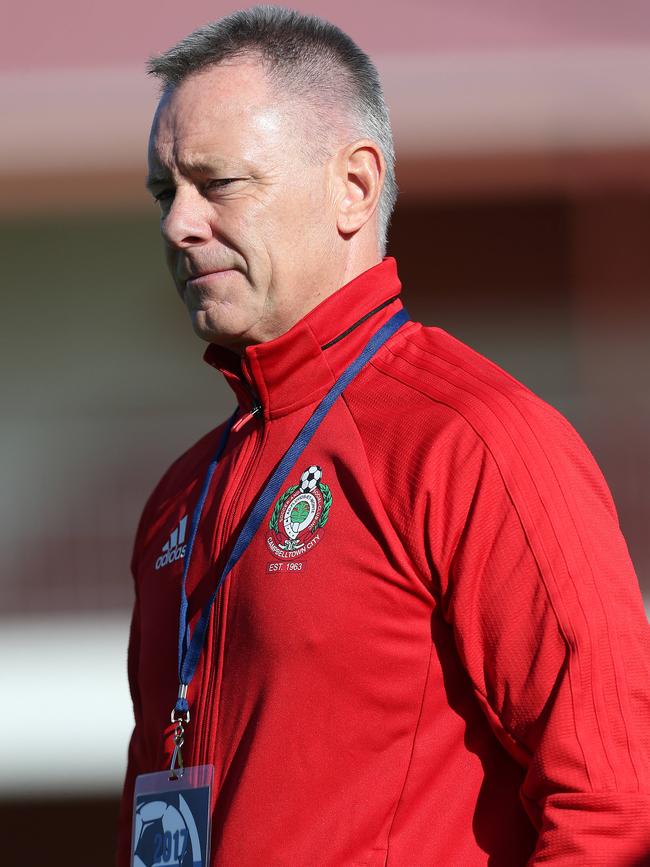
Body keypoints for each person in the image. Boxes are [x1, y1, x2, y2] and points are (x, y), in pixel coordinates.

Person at [117, 7, 650, 865]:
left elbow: (617, 800)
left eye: (217, 185)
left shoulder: (475, 440)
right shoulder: (180, 497)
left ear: (355, 187)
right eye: (164, 193)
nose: (178, 224)